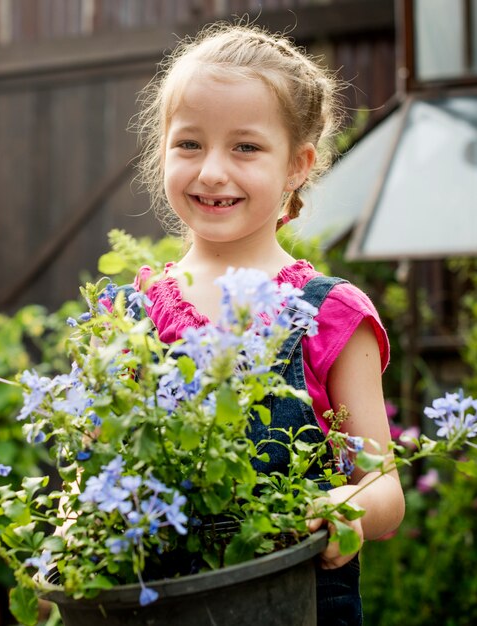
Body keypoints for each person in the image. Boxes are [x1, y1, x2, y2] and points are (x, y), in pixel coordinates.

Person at [129, 21, 405, 625]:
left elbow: (384, 489)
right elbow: (103, 465)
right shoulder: (133, 317)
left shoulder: (331, 313)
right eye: (190, 144)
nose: (211, 172)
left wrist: (350, 507)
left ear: (298, 165)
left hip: (298, 606)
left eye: (245, 147)